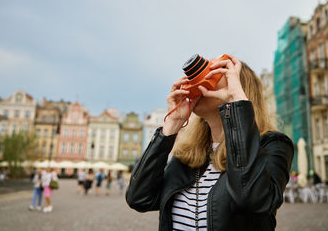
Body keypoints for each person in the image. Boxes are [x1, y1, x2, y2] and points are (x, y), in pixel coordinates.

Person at [126, 55, 294, 231]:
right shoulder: (191, 154)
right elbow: (139, 198)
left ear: (238, 88)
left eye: (214, 73)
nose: (200, 82)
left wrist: (236, 104)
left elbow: (253, 202)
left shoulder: (272, 145)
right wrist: (171, 125)